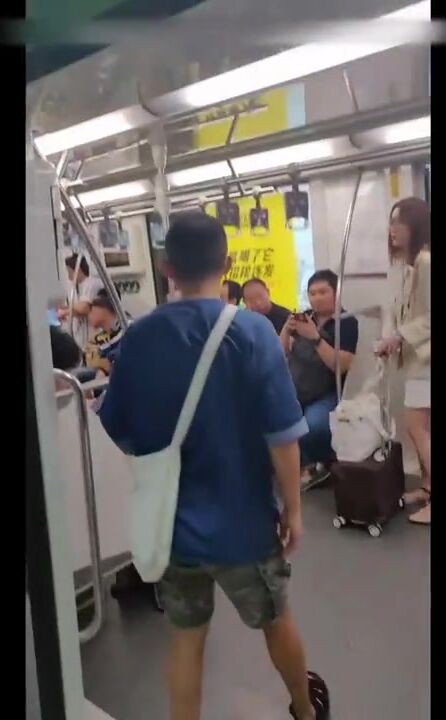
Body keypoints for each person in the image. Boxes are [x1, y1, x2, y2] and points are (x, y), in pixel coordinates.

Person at [98, 212, 329, 720]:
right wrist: (293, 511)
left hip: (172, 530)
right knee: (276, 621)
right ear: (226, 266)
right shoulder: (252, 332)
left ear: (167, 269)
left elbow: (117, 430)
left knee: (186, 639)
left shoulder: (139, 338)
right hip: (245, 526)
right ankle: (305, 709)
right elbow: (283, 436)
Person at [376, 197, 430, 525]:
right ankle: (426, 487)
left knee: (416, 427)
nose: (392, 229)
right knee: (419, 428)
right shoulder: (412, 266)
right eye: (391, 221)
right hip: (418, 359)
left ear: (416, 225)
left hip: (426, 362)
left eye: (399, 221)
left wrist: (398, 337)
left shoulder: (426, 262)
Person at [280, 270, 359, 491]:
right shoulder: (304, 317)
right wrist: (286, 331)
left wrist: (315, 338)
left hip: (327, 392)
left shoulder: (347, 322)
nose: (316, 298)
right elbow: (279, 354)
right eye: (312, 293)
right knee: (274, 418)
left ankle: (322, 464)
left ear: (336, 293)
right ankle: (300, 466)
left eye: (323, 292)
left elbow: (340, 365)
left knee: (313, 425)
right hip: (296, 389)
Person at [58, 254, 104, 347]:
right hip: (86, 341)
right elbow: (79, 310)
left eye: (69, 272)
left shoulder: (91, 284)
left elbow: (84, 308)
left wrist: (65, 312)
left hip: (98, 337)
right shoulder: (81, 287)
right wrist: (64, 309)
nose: (69, 276)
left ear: (77, 270)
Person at [85, 294, 125, 376]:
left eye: (90, 311)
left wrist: (103, 368)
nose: (88, 317)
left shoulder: (126, 329)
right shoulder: (99, 339)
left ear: (101, 310)